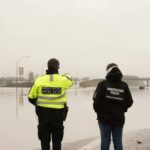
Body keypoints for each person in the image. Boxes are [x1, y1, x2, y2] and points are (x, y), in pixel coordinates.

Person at [28, 58, 74, 150]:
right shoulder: (62, 80)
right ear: (58, 67)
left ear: (47, 67)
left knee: (44, 141)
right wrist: (67, 74)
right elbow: (71, 81)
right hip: (58, 115)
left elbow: (31, 97)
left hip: (43, 115)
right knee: (57, 141)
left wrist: (39, 105)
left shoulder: (39, 80)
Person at [93, 63, 133, 150]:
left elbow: (96, 102)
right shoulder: (124, 85)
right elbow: (130, 102)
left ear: (107, 71)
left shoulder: (102, 84)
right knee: (118, 140)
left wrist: (98, 112)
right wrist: (122, 109)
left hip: (104, 119)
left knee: (105, 140)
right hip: (119, 118)